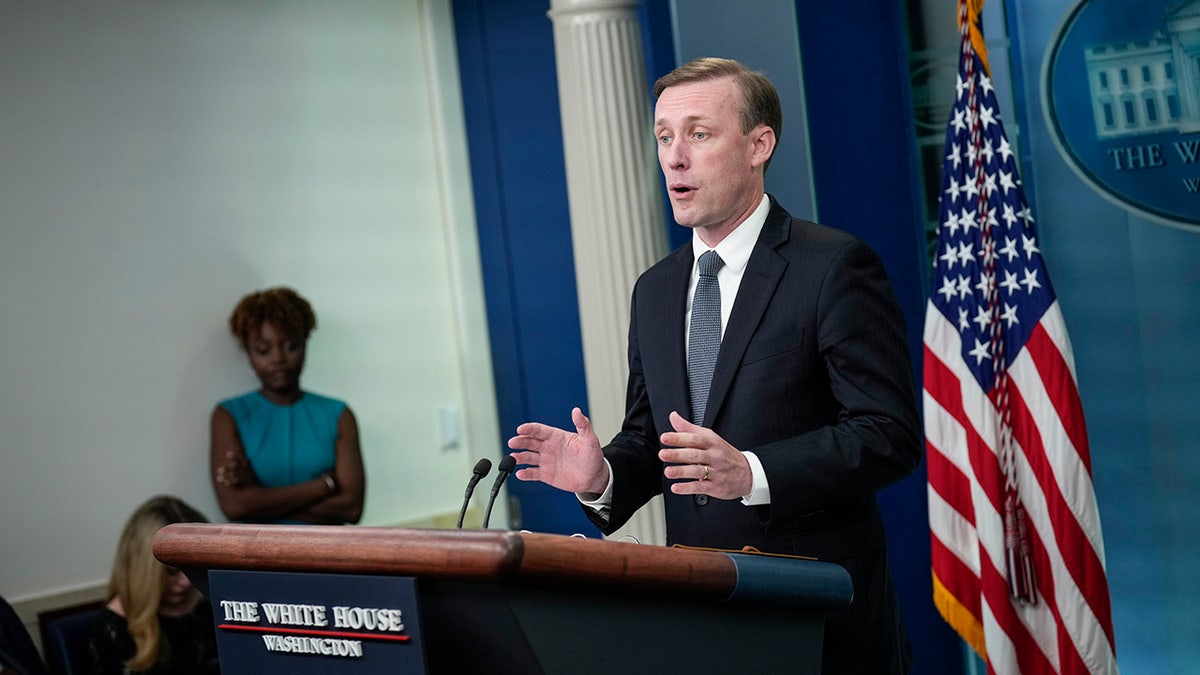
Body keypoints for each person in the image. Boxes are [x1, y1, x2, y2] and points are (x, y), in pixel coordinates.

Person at [507, 57, 921, 674]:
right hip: (702, 615)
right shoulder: (655, 288)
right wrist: (601, 478)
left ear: (760, 145)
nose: (675, 157)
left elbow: (889, 433)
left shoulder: (832, 266)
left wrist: (752, 472)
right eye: (664, 137)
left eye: (699, 134)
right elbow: (654, 439)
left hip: (818, 617)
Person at [210, 287, 365, 525]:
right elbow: (235, 505)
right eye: (263, 349)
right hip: (256, 558)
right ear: (248, 352)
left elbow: (351, 508)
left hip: (327, 556)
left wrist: (259, 494)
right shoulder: (229, 415)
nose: (278, 360)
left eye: (291, 346)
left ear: (305, 345)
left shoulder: (338, 415)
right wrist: (324, 485)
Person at [89, 495, 219, 675]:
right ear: (144, 571)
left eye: (194, 570)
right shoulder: (114, 628)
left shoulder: (211, 605)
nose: (186, 582)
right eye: (171, 571)